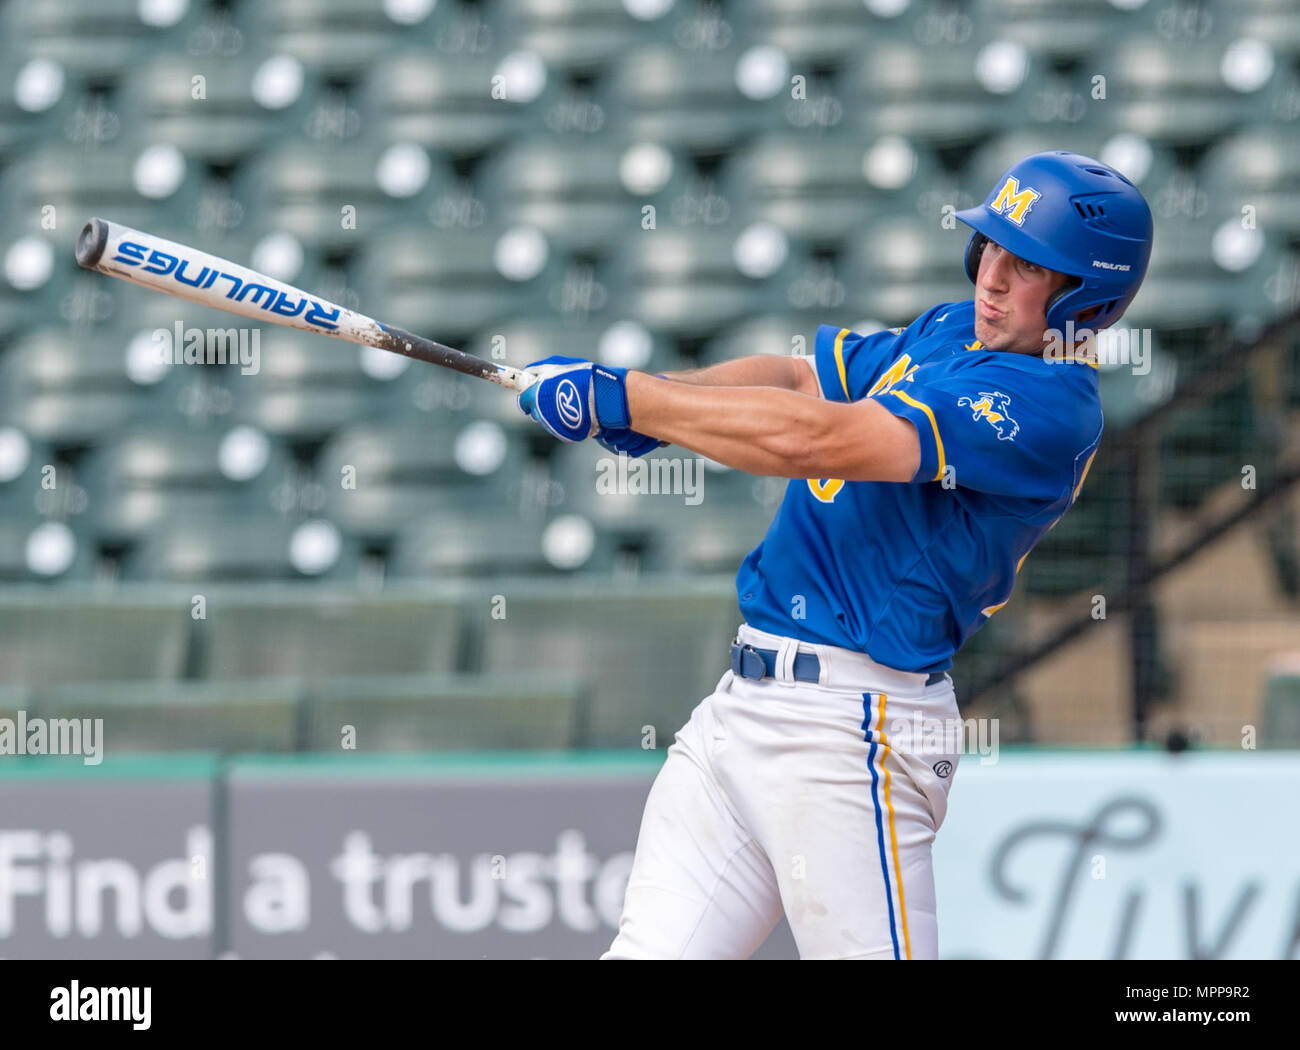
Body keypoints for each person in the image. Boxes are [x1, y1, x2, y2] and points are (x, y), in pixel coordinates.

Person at [516, 151, 1153, 959]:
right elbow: (798, 380)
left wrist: (634, 397)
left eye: (1026, 263)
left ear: (1086, 296)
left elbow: (815, 438)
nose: (991, 275)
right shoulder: (954, 329)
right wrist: (660, 402)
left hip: (854, 727)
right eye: (990, 246)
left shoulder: (1049, 407)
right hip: (741, 710)